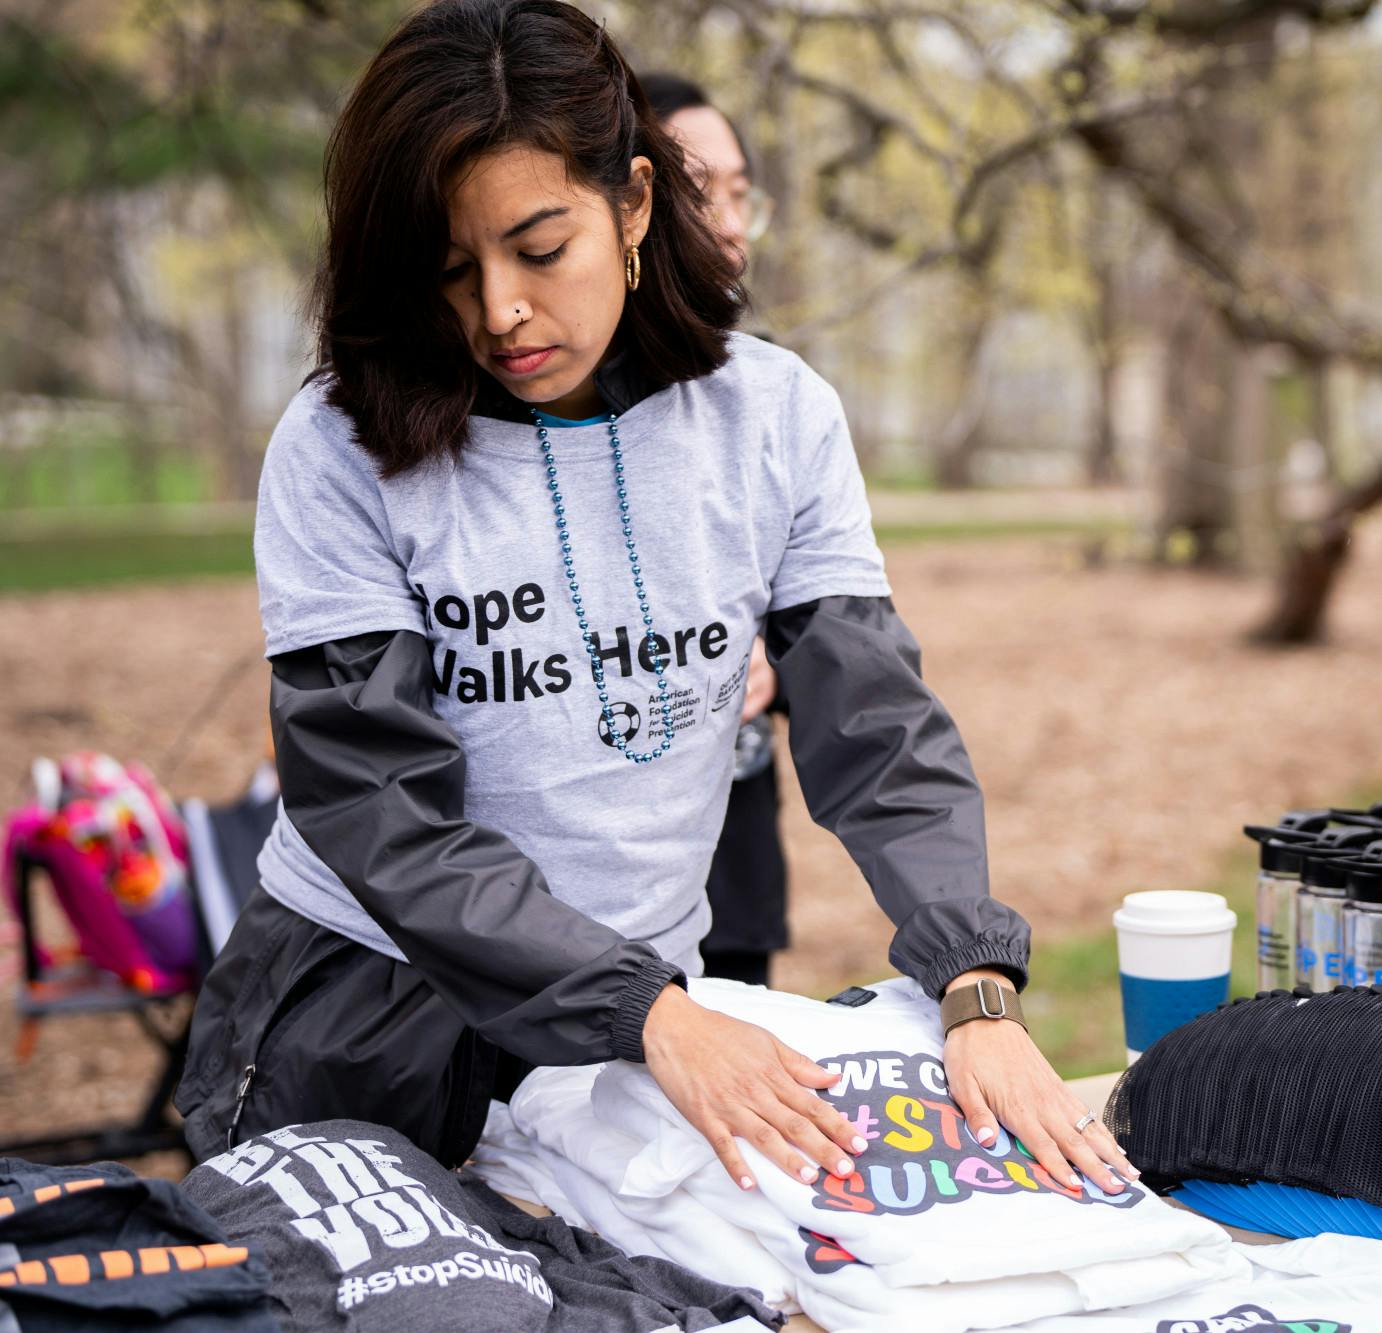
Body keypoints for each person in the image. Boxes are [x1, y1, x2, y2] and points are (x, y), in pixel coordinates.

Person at [174, 0, 1135, 1205]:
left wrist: (972, 984)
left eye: (538, 248)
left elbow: (875, 729)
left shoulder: (774, 417)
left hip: (637, 1042)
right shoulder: (335, 446)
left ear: (631, 202)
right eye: (451, 270)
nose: (499, 311)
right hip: (367, 1029)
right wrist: (645, 1009)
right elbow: (379, 809)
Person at [640, 70, 785, 988]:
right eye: (702, 195)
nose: (729, 223)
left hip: (733, 883)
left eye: (741, 194)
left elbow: (835, 642)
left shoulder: (768, 402)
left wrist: (775, 659)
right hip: (588, 920)